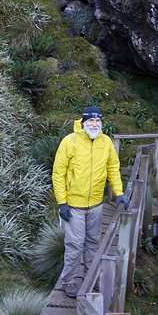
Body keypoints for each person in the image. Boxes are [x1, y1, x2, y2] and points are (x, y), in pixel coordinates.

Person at [52, 104, 128, 297]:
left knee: (94, 242)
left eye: (97, 120)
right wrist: (62, 202)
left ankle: (92, 278)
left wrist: (119, 193)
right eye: (91, 120)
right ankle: (68, 281)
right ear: (83, 122)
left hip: (96, 203)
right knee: (75, 244)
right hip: (73, 206)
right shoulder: (70, 141)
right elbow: (58, 174)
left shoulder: (106, 142)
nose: (94, 124)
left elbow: (113, 168)